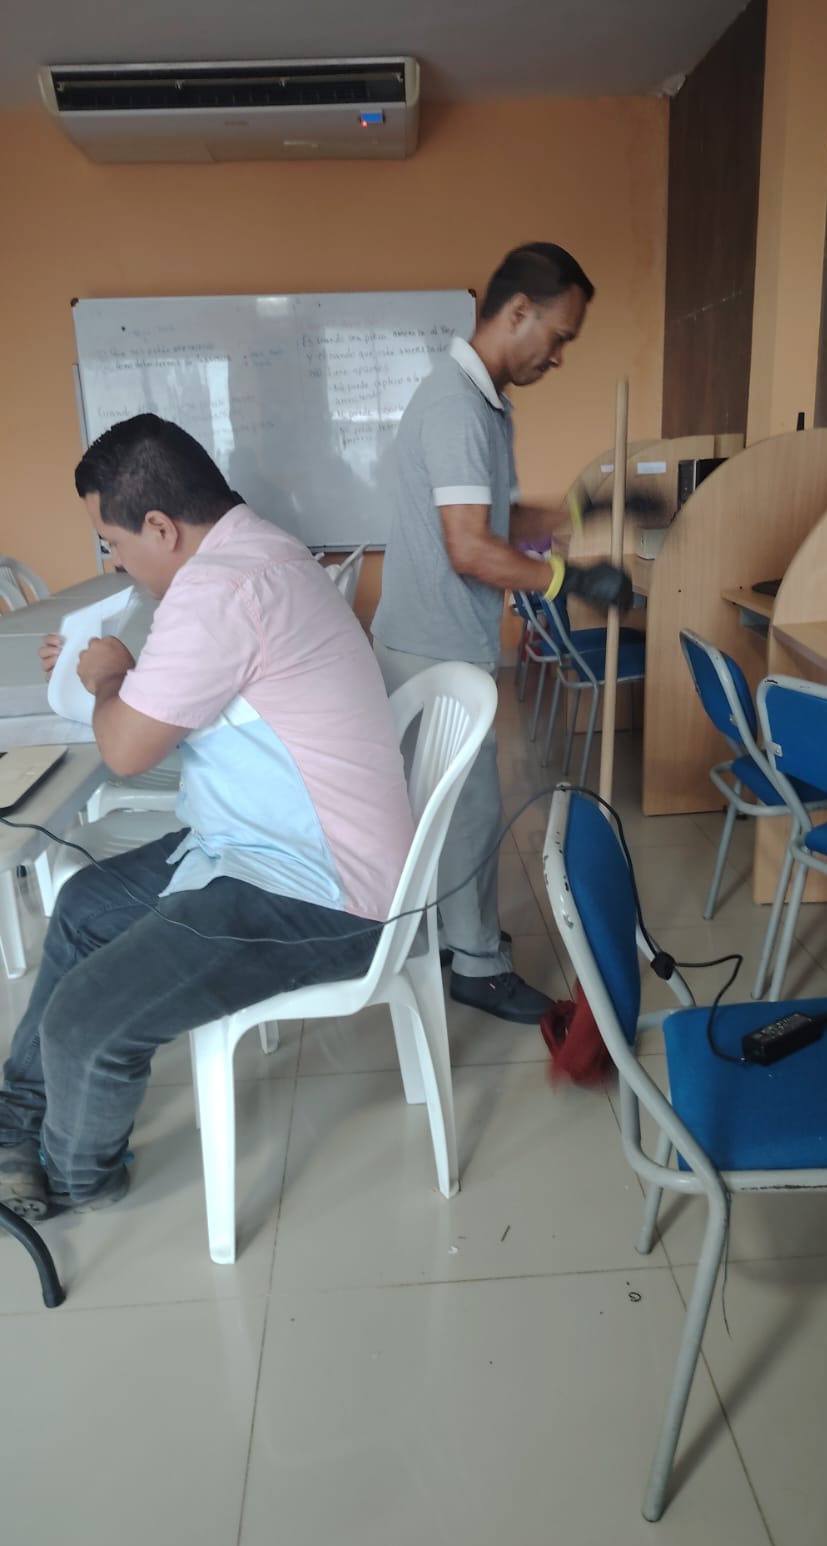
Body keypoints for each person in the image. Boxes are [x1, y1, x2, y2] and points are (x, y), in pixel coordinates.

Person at [0, 414, 414, 1221]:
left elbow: (125, 750)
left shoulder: (219, 589)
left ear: (161, 526)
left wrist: (107, 680)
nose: (114, 562)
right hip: (267, 844)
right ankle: (16, 1118)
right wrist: (119, 675)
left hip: (323, 891)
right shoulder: (259, 551)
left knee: (85, 1020)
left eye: (113, 543)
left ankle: (76, 1174)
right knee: (83, 904)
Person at [373, 242, 632, 1024]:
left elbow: (496, 518)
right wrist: (569, 580)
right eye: (558, 336)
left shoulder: (481, 401)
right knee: (468, 811)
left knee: (459, 811)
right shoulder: (458, 405)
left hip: (442, 639)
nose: (558, 356)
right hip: (434, 646)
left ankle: (462, 941)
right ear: (518, 311)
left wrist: (583, 511)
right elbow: (470, 547)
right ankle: (477, 966)